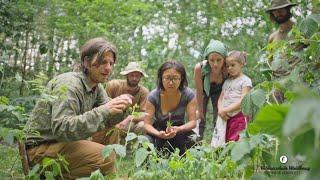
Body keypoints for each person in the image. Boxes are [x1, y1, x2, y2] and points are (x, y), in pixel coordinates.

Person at [23, 37, 138, 179]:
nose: (108, 68)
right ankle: (48, 176)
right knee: (106, 157)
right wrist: (105, 110)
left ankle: (107, 175)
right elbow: (62, 128)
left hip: (64, 144)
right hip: (40, 150)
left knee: (112, 131)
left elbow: (108, 118)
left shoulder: (96, 86)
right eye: (103, 62)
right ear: (86, 62)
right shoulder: (70, 84)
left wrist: (122, 107)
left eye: (111, 63)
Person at [144, 60, 197, 155]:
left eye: (175, 78)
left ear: (181, 79)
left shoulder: (189, 95)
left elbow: (193, 122)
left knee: (193, 139)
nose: (171, 82)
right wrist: (158, 134)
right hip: (158, 131)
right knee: (145, 141)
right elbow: (147, 124)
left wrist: (178, 129)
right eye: (167, 78)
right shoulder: (153, 96)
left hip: (180, 129)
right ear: (161, 78)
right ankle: (148, 167)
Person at [94, 62, 149, 139]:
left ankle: (132, 147)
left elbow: (145, 115)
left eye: (137, 76)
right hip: (110, 121)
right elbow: (103, 105)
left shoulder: (143, 92)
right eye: (132, 75)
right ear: (126, 75)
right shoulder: (114, 85)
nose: (134, 78)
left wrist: (129, 118)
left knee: (143, 125)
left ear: (141, 77)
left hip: (130, 123)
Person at [212, 51, 252, 146]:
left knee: (235, 141)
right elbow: (221, 99)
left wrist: (225, 110)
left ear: (241, 64)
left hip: (238, 116)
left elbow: (243, 100)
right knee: (223, 140)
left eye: (232, 65)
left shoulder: (245, 81)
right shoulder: (227, 81)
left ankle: (234, 160)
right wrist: (220, 110)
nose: (229, 68)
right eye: (227, 66)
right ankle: (223, 159)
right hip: (224, 117)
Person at [194, 39, 228, 140]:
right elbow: (199, 92)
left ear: (224, 59)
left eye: (219, 60)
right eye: (212, 60)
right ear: (207, 59)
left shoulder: (227, 69)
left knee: (218, 118)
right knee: (199, 119)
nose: (215, 64)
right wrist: (200, 110)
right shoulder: (200, 68)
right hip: (204, 91)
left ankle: (218, 146)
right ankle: (196, 145)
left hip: (220, 92)